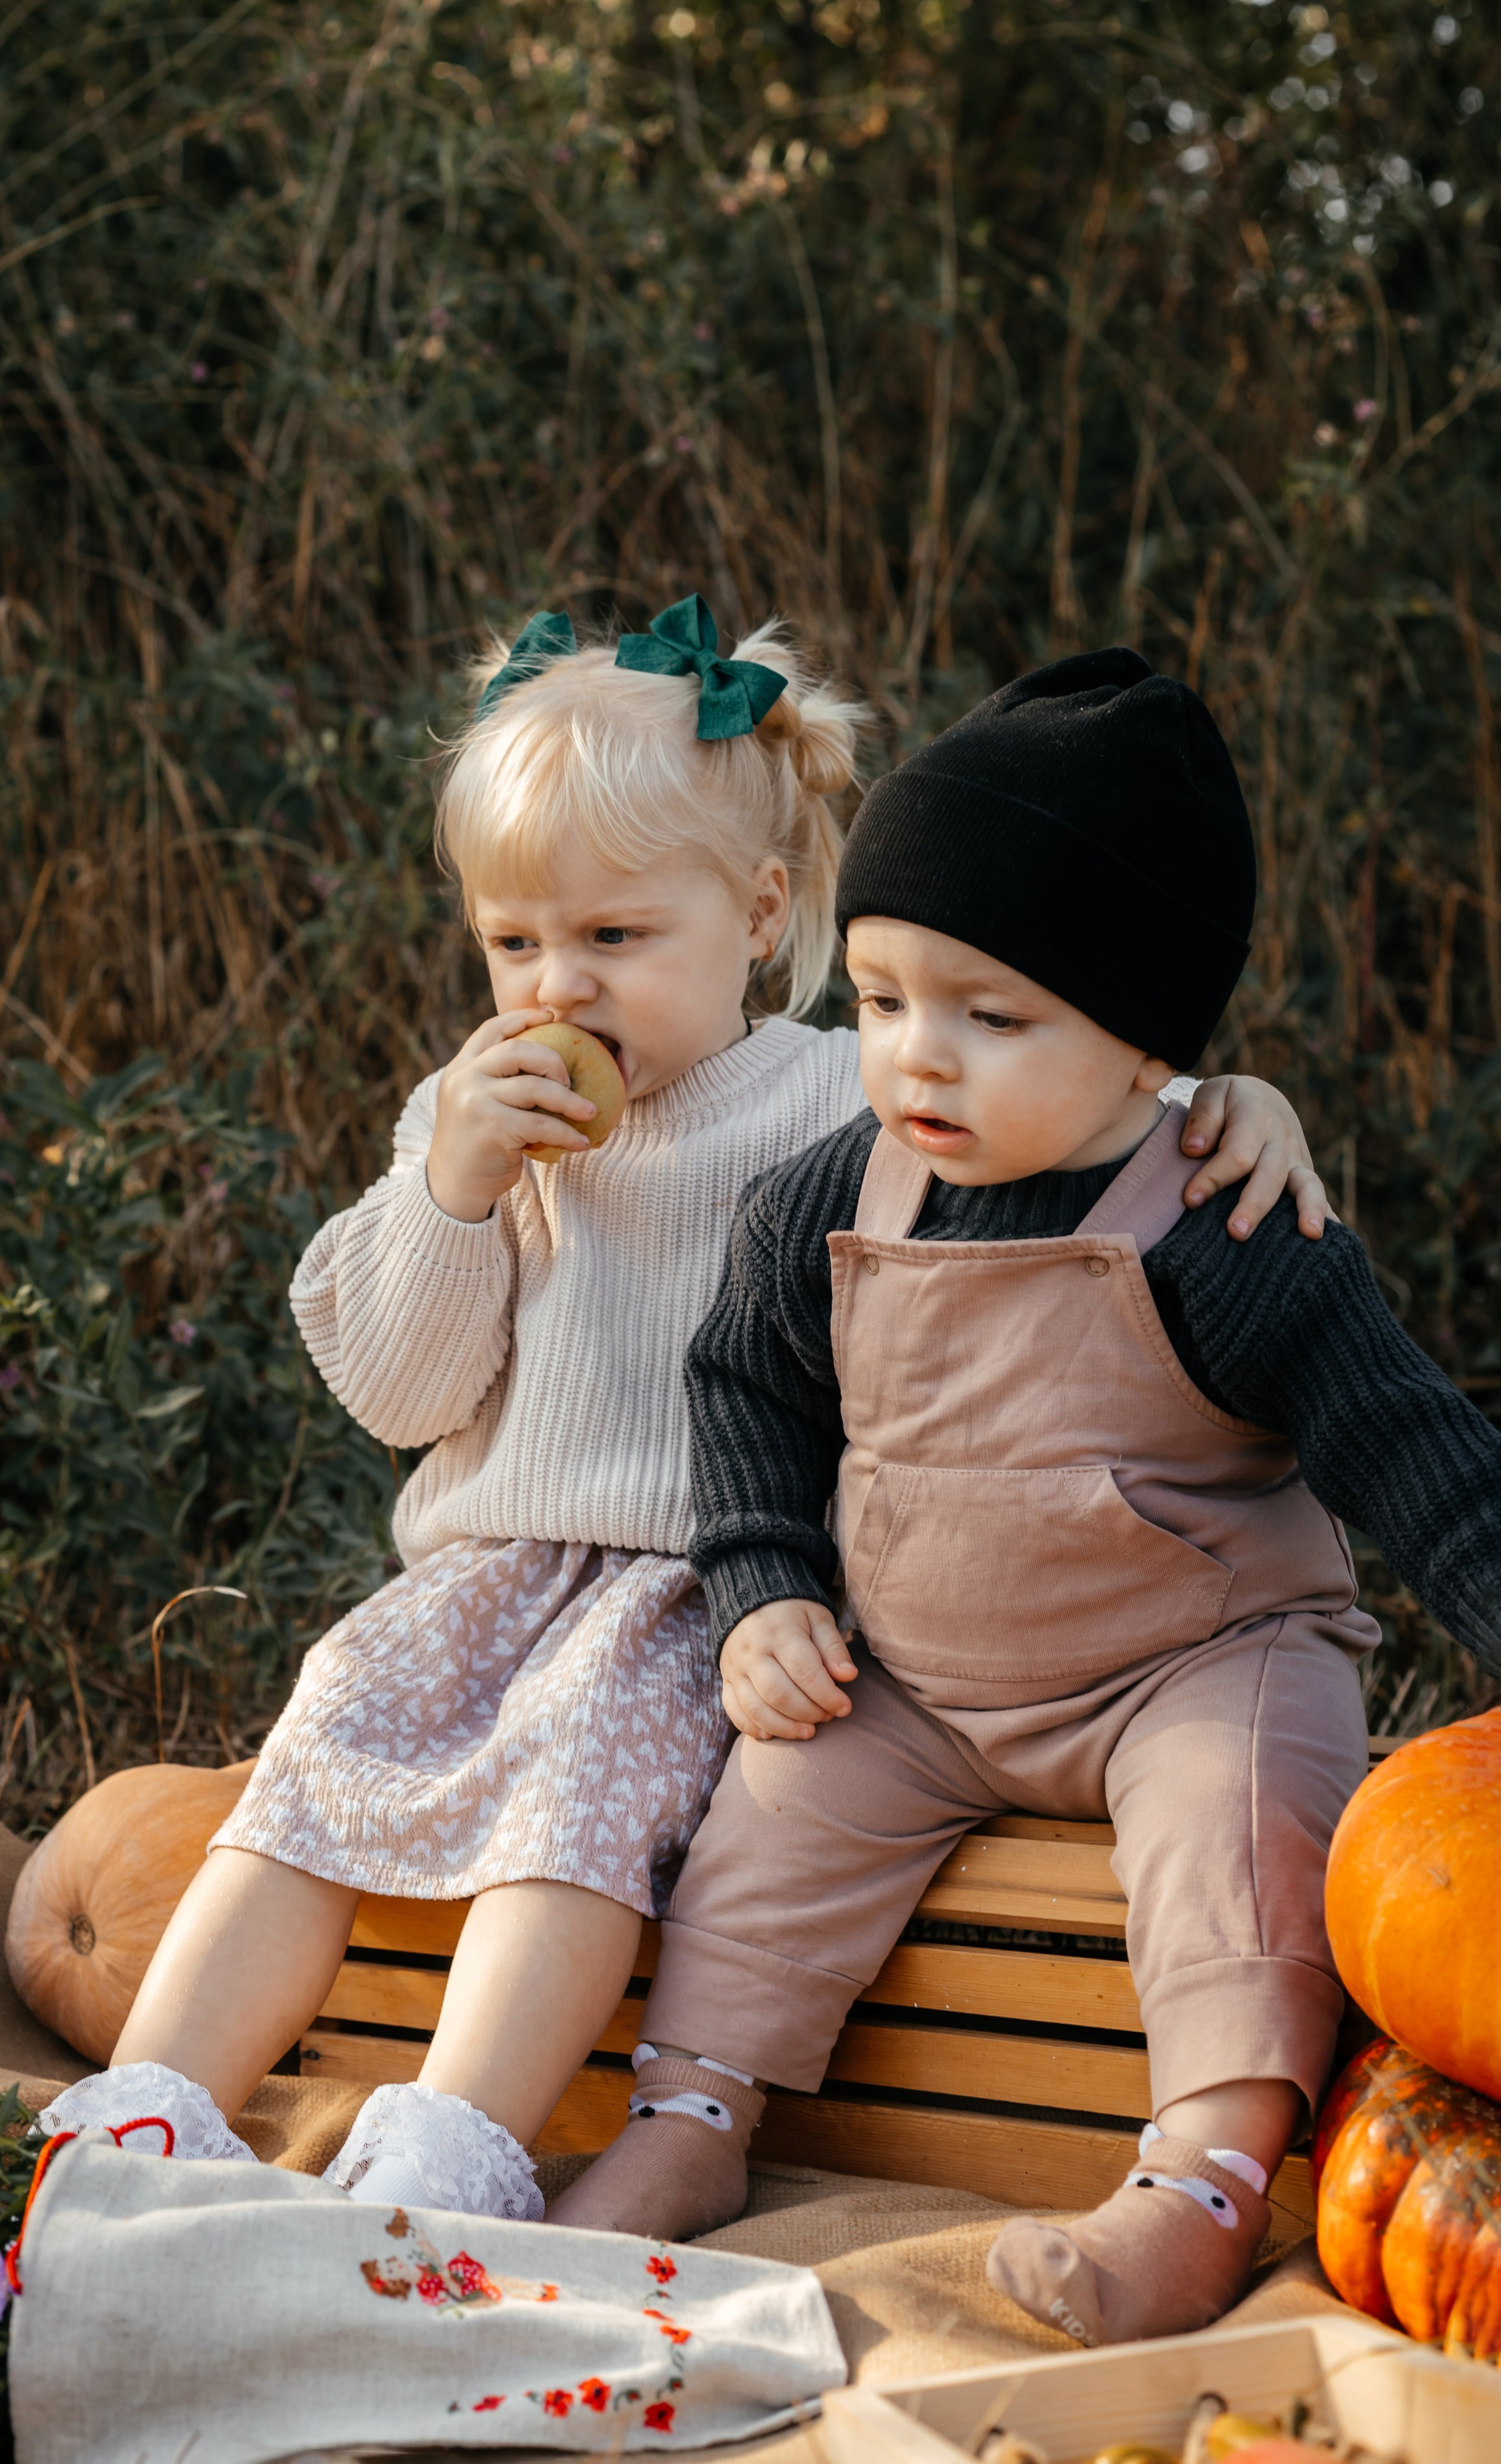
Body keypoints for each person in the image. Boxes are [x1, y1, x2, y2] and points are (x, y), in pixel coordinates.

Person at [41, 615, 1326, 2222]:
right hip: (487, 1569)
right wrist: (452, 1187)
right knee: (313, 1745)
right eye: (512, 943)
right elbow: (396, 1389)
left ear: (759, 914)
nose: (554, 986)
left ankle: (451, 2142)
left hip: (704, 1582)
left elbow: (1062, 1105)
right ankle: (144, 2112)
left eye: (611, 937)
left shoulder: (839, 1092)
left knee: (573, 1792)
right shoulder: (476, 1127)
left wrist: (1226, 1105)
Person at [550, 646, 1501, 2337]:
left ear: (1146, 1049)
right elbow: (745, 1392)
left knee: (1243, 1834)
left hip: (1183, 1661)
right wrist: (764, 1583)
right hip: (913, 1678)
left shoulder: (1222, 1227)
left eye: (992, 1019)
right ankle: (688, 2119)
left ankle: (1196, 2185)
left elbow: (1411, 1447)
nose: (921, 1057)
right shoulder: (827, 1200)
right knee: (771, 1816)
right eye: (885, 997)